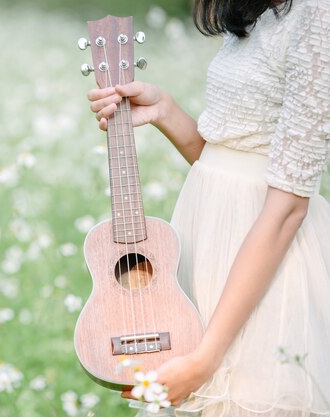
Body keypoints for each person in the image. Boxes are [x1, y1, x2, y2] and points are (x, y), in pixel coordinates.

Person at [88, 0, 330, 416]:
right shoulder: (262, 12)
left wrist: (205, 359)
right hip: (207, 251)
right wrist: (164, 109)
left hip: (264, 264)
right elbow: (227, 160)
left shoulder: (317, 16)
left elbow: (288, 208)